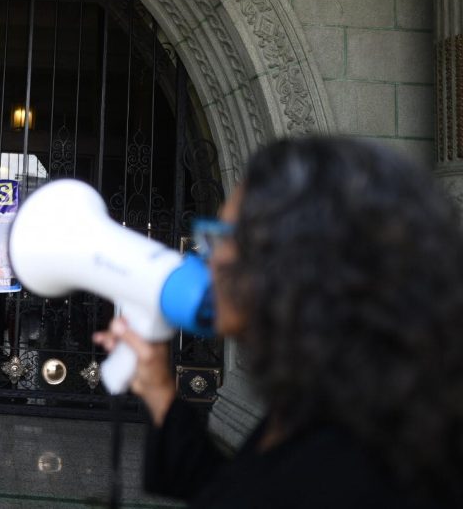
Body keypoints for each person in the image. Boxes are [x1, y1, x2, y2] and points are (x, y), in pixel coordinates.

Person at [93, 136, 463, 508]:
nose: (212, 259)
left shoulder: (363, 471)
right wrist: (159, 390)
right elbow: (235, 488)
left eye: (223, 238)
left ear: (298, 260)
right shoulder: (331, 404)